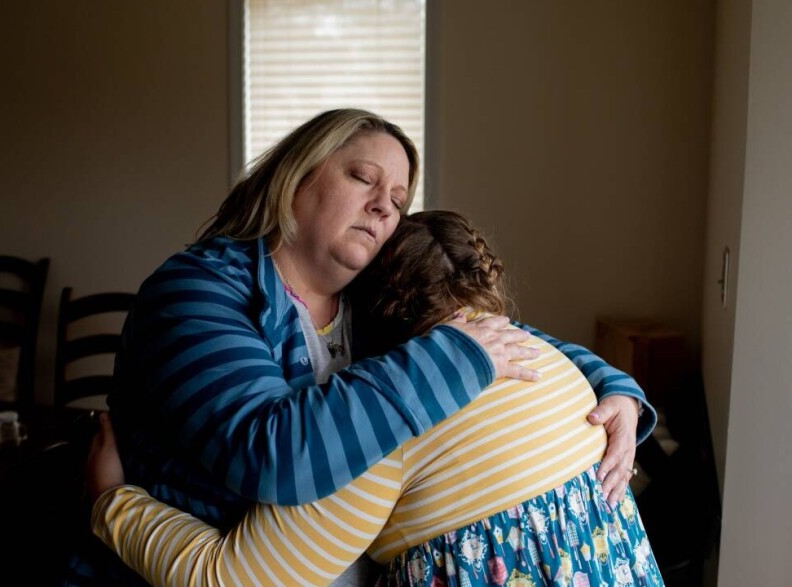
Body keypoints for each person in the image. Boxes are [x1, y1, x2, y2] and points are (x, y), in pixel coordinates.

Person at [66, 109, 655, 585]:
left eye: (398, 199)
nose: (383, 206)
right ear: (295, 174)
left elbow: (492, 334)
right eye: (362, 178)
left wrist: (617, 389)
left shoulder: (368, 311)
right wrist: (456, 358)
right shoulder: (197, 290)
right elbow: (271, 452)